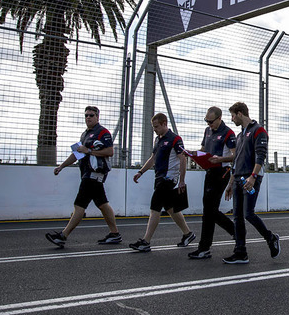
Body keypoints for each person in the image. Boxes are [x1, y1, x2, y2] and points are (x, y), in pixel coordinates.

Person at [45, 106, 122, 247]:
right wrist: (61, 166)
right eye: (86, 115)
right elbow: (77, 154)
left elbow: (110, 151)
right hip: (87, 174)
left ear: (97, 117)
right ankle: (115, 234)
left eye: (91, 115)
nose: (88, 117)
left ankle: (63, 235)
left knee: (79, 205)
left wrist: (89, 150)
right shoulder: (85, 134)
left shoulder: (103, 132)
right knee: (103, 204)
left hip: (94, 174)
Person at [222, 101, 280, 264]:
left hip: (251, 178)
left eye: (233, 116)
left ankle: (271, 238)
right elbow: (237, 161)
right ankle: (240, 252)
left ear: (240, 113)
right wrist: (230, 183)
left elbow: (261, 156)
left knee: (248, 213)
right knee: (237, 216)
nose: (232, 119)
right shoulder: (240, 136)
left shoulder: (258, 130)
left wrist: (253, 176)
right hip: (238, 179)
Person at [130, 112, 195, 252]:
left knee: (155, 208)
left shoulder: (175, 139)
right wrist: (140, 172)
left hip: (168, 179)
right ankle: (188, 234)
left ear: (165, 123)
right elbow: (153, 158)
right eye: (153, 127)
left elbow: (183, 159)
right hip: (159, 177)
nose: (155, 129)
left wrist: (182, 180)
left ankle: (146, 241)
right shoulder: (157, 139)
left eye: (157, 126)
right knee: (170, 208)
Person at [187, 107, 236, 260]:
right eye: (206, 121)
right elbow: (203, 150)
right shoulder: (207, 131)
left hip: (222, 172)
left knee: (209, 210)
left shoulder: (228, 133)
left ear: (220, 118)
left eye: (211, 121)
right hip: (209, 171)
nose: (209, 124)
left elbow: (236, 155)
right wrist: (193, 153)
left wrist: (220, 159)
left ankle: (204, 247)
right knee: (209, 209)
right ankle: (234, 231)